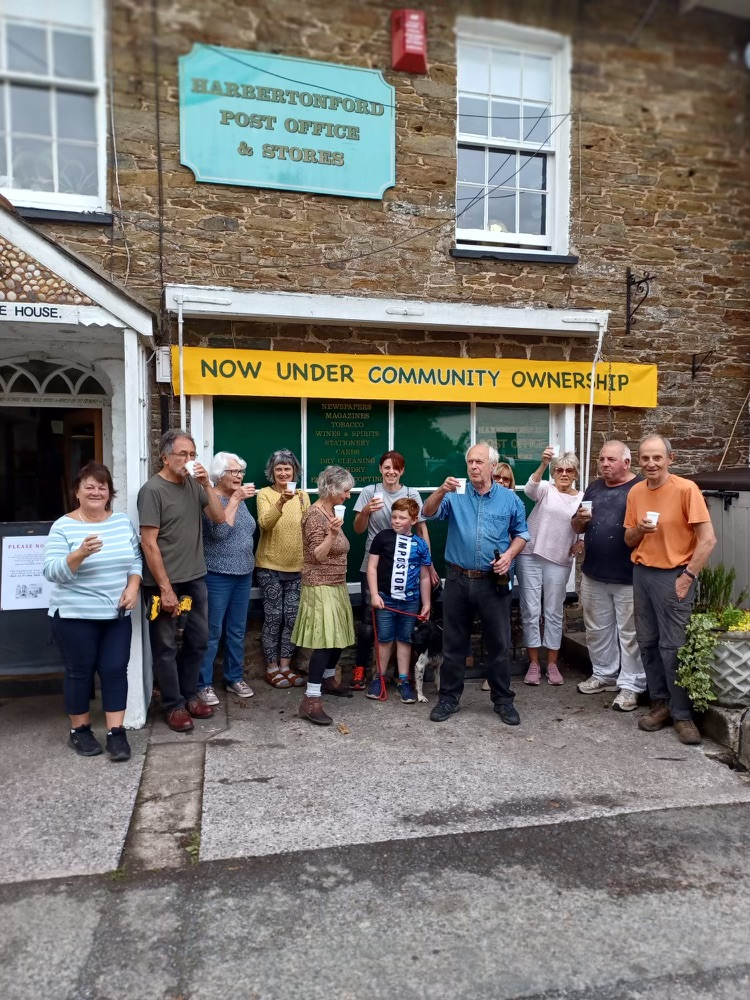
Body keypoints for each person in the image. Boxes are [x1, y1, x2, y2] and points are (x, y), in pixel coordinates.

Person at [422, 442, 529, 726]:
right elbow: (427, 512)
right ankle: (449, 698)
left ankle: (503, 700)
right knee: (453, 644)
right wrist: (441, 490)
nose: (473, 467)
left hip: (493, 581)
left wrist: (509, 556)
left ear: (493, 466)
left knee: (499, 643)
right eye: (470, 462)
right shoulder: (455, 493)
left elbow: (522, 534)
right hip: (458, 579)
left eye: (479, 462)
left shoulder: (509, 499)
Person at [43, 462, 142, 761]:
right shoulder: (63, 526)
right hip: (75, 615)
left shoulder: (121, 522)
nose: (96, 492)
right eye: (89, 486)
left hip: (116, 614)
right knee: (79, 672)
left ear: (110, 493)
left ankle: (116, 734)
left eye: (102, 487)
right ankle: (80, 731)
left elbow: (135, 558)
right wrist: (79, 553)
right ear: (77, 492)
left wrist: (133, 586)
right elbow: (51, 572)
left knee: (115, 670)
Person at [624, 434, 716, 745]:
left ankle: (682, 714)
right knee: (648, 643)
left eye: (657, 457)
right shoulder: (636, 491)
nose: (651, 463)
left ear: (670, 459)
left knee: (673, 647)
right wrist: (640, 529)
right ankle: (660, 705)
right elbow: (628, 540)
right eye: (645, 458)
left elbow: (708, 539)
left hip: (674, 575)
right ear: (639, 460)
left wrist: (688, 575)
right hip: (642, 574)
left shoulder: (686, 489)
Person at [138, 429, 226, 733]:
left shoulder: (194, 485)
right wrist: (165, 588)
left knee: (198, 640)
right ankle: (173, 705)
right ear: (165, 457)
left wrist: (207, 484)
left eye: (192, 454)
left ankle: (189, 696)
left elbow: (218, 517)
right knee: (164, 646)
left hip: (195, 577)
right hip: (162, 582)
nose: (189, 459)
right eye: (183, 454)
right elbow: (148, 543)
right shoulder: (152, 490)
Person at [351, 450, 439, 691]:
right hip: (375, 565)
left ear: (402, 471)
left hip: (406, 568)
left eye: (396, 468)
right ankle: (362, 668)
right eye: (386, 467)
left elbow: (422, 530)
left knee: (404, 623)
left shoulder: (411, 494)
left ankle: (403, 676)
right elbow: (358, 529)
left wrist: (429, 565)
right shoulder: (370, 491)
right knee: (369, 621)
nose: (391, 472)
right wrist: (366, 510)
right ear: (380, 469)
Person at [571, 441, 647, 712]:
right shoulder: (594, 487)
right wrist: (580, 520)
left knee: (630, 633)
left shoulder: (640, 488)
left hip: (628, 575)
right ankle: (604, 674)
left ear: (626, 463)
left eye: (610, 459)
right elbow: (575, 525)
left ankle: (632, 685)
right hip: (594, 573)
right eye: (602, 459)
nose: (604, 463)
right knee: (597, 629)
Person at [292, 465, 356, 726]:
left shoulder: (332, 512)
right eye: (345, 490)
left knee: (338, 638)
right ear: (331, 489)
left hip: (337, 583)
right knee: (324, 641)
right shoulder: (314, 515)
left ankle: (329, 679)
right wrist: (332, 534)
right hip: (319, 585)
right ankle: (311, 699)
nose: (348, 495)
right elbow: (317, 555)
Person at [516, 448, 583, 687]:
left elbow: (588, 525)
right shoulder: (545, 488)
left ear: (575, 473)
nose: (564, 474)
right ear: (554, 472)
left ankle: (552, 663)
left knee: (554, 611)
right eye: (559, 469)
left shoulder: (581, 497)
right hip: (530, 555)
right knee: (530, 610)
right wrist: (543, 464)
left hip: (559, 558)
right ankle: (534, 663)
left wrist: (582, 542)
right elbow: (529, 490)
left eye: (569, 470)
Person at [196, 451, 257, 706]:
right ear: (219, 475)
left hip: (243, 574)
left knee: (236, 631)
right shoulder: (211, 499)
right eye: (234, 472)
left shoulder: (239, 499)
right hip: (217, 575)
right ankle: (203, 684)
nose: (239, 476)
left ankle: (234, 678)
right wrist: (235, 499)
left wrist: (237, 499)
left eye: (241, 471)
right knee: (212, 633)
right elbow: (220, 532)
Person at [366, 497, 432, 704]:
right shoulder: (382, 538)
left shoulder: (420, 544)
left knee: (405, 640)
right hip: (385, 599)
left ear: (413, 520)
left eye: (402, 518)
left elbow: (424, 576)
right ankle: (379, 678)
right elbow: (372, 567)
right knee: (384, 639)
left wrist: (426, 603)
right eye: (394, 517)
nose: (396, 521)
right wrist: (374, 594)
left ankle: (404, 680)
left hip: (410, 601)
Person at [255, 449, 310, 688]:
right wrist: (281, 501)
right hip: (269, 566)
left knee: (292, 618)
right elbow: (265, 524)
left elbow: (307, 531)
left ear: (294, 471)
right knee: (274, 617)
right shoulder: (265, 494)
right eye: (279, 469)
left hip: (297, 567)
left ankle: (286, 666)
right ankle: (271, 668)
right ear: (272, 472)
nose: (283, 473)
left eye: (288, 468)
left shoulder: (303, 496)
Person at [483, 461, 517, 690]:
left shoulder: (513, 503)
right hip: (476, 569)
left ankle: (495, 677)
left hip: (503, 568)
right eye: (498, 478)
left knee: (500, 623)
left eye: (506, 479)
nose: (502, 482)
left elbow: (519, 536)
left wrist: (507, 557)